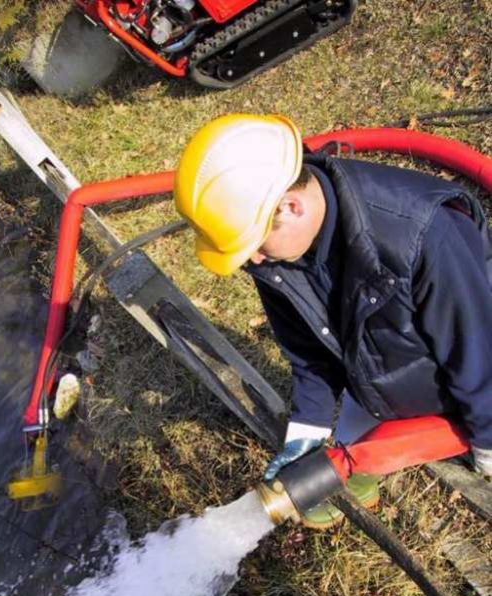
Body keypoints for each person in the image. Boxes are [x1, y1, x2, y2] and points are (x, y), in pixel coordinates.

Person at [174, 113, 492, 527]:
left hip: (466, 379)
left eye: (252, 245)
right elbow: (308, 349)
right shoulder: (275, 253)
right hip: (379, 377)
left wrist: (487, 438)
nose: (252, 260)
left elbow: (476, 349)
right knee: (354, 457)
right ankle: (363, 478)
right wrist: (307, 428)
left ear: (290, 206)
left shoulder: (423, 234)